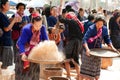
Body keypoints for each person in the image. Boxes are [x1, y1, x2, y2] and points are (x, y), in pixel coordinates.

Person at [15, 12, 48, 80]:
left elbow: (46, 41)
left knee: (34, 72)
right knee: (23, 73)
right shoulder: (26, 29)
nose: (38, 27)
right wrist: (23, 54)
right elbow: (21, 43)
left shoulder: (42, 28)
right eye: (36, 26)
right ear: (32, 23)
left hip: (35, 51)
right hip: (23, 49)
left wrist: (47, 51)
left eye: (40, 25)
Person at [59, 12, 84, 79]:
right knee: (75, 59)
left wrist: (59, 13)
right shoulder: (78, 22)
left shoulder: (72, 21)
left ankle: (68, 75)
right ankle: (79, 76)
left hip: (73, 42)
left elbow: (61, 20)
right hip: (79, 42)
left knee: (66, 59)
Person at [0, 0, 21, 69]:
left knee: (4, 64)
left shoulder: (3, 15)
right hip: (4, 42)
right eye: (8, 4)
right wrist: (14, 21)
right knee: (4, 65)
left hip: (6, 41)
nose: (9, 6)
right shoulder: (1, 15)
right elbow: (6, 28)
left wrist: (11, 20)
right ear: (3, 5)